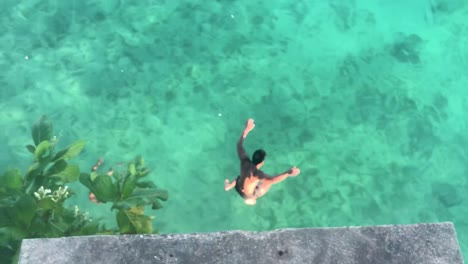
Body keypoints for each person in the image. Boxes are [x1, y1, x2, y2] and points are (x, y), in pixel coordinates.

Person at [224, 118, 300, 205]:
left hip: (238, 186)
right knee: (266, 185)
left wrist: (247, 130)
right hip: (246, 195)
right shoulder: (256, 174)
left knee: (240, 178)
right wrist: (288, 173)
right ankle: (250, 200)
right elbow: (272, 180)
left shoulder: (245, 161)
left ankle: (228, 186)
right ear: (262, 162)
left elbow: (239, 145)